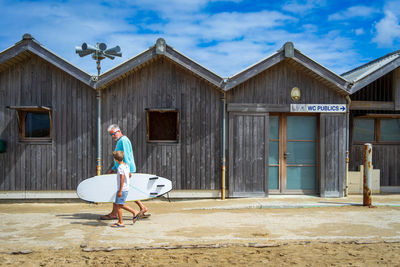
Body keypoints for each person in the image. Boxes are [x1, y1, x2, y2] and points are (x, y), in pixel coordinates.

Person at [100, 124, 149, 220]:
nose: (112, 136)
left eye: (113, 134)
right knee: (126, 190)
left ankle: (114, 214)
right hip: (123, 169)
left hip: (126, 170)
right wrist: (114, 168)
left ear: (118, 131)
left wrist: (128, 171)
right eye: (111, 135)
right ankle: (142, 207)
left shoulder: (124, 141)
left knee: (120, 190)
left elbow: (126, 156)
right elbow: (119, 158)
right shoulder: (120, 141)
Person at [110, 150, 140, 227]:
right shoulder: (126, 165)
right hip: (126, 188)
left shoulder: (120, 167)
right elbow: (129, 175)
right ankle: (134, 212)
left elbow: (122, 178)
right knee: (119, 204)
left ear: (115, 160)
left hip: (122, 189)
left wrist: (120, 190)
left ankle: (121, 222)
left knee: (118, 206)